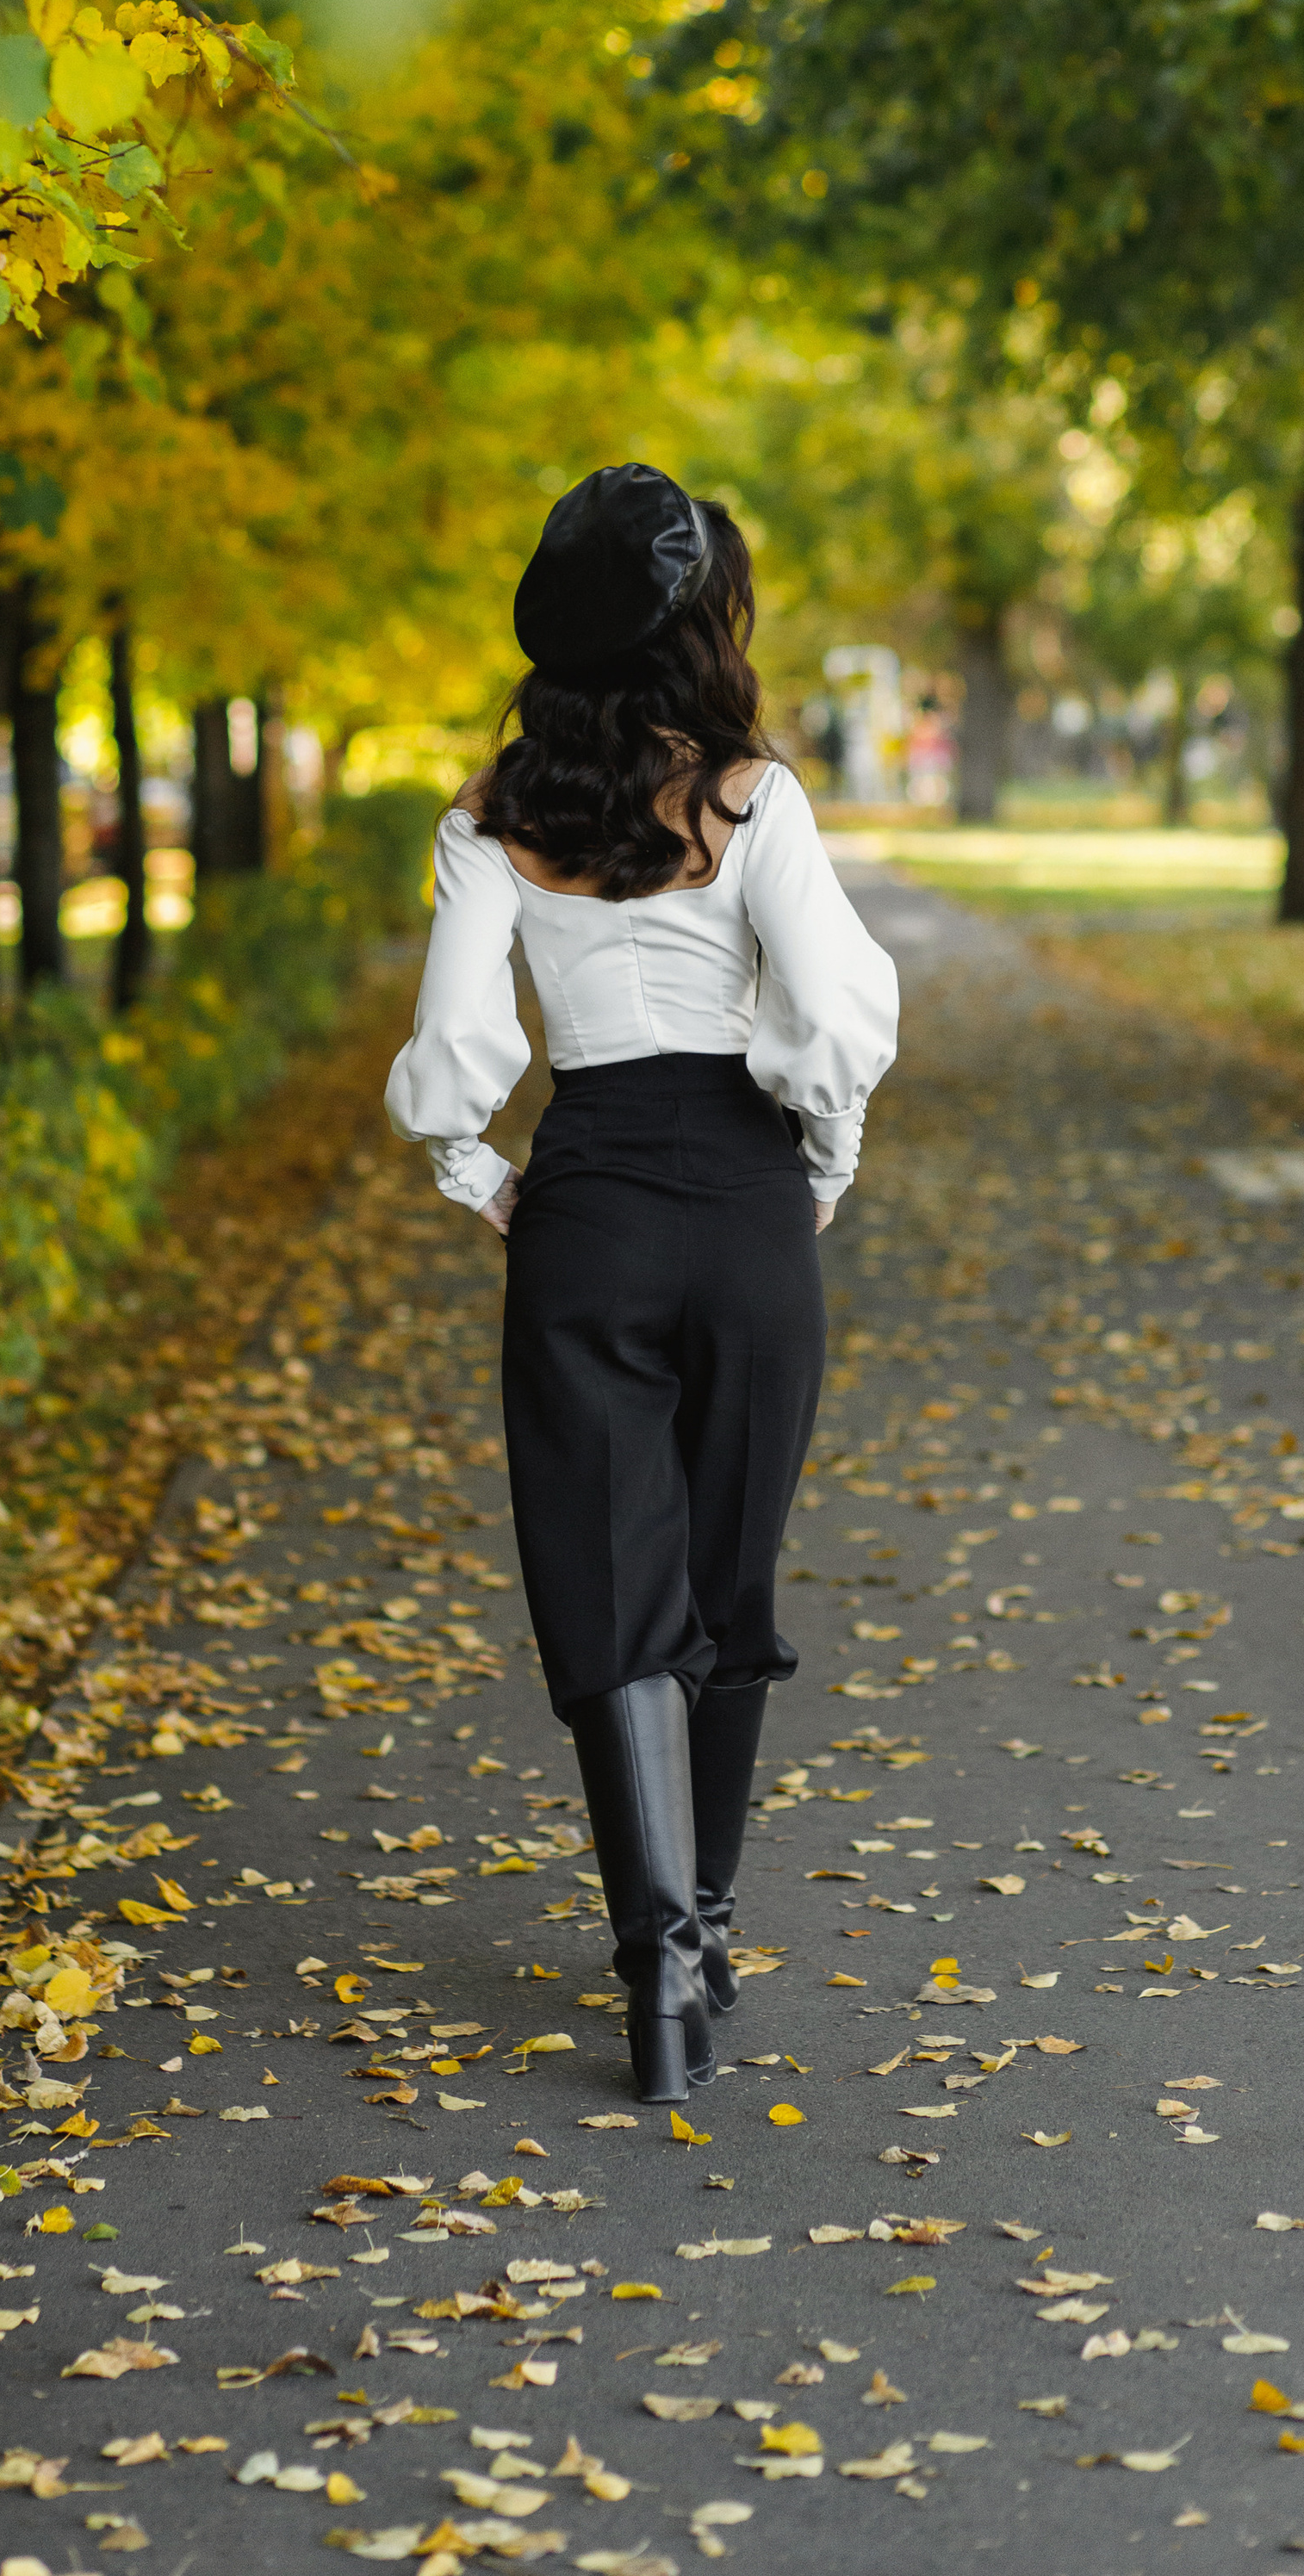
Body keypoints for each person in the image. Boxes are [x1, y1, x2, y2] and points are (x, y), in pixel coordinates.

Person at [385, 467, 899, 2104]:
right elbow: (829, 1015)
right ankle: (713, 1921)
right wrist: (824, 1167)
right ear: (703, 628)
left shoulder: (492, 820)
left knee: (611, 1590)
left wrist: (484, 1180)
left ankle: (662, 1977)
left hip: (588, 1198)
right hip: (744, 1201)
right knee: (729, 1587)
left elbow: (463, 1050)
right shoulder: (756, 801)